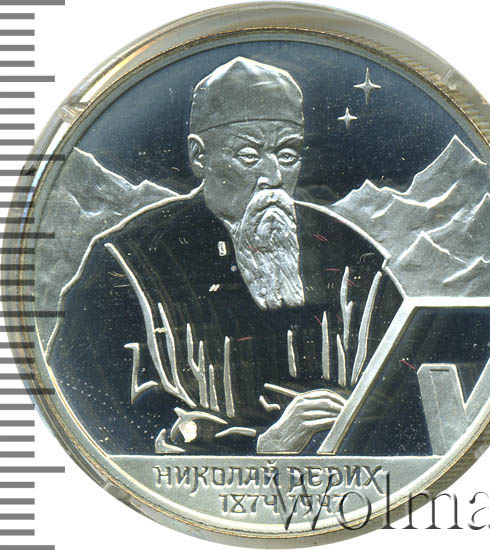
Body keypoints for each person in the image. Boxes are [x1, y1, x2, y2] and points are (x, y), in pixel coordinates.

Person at [48, 57, 404, 456]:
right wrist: (259, 446)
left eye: (287, 155)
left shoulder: (356, 260)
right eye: (249, 156)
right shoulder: (127, 263)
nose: (273, 177)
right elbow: (100, 408)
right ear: (199, 156)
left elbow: (405, 396)